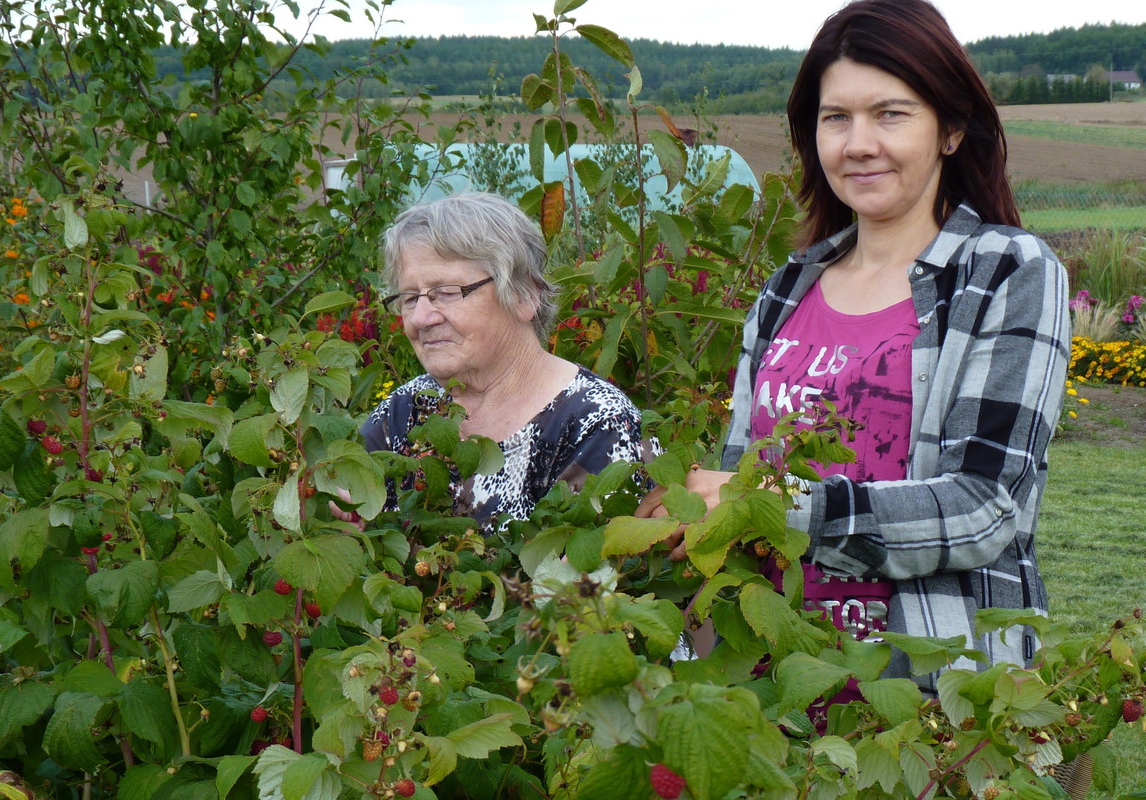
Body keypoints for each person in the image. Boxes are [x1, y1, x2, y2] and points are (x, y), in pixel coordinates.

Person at [637, 0, 1070, 692]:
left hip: (923, 699)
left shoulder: (1005, 272)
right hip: (771, 690)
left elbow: (984, 507)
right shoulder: (787, 290)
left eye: (890, 114)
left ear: (951, 129)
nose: (858, 144)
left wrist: (784, 505)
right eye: (835, 117)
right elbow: (738, 479)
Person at [352, 191, 651, 530]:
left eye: (447, 293)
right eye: (409, 298)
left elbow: (594, 562)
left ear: (524, 296)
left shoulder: (599, 425)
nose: (421, 318)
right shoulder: (404, 412)